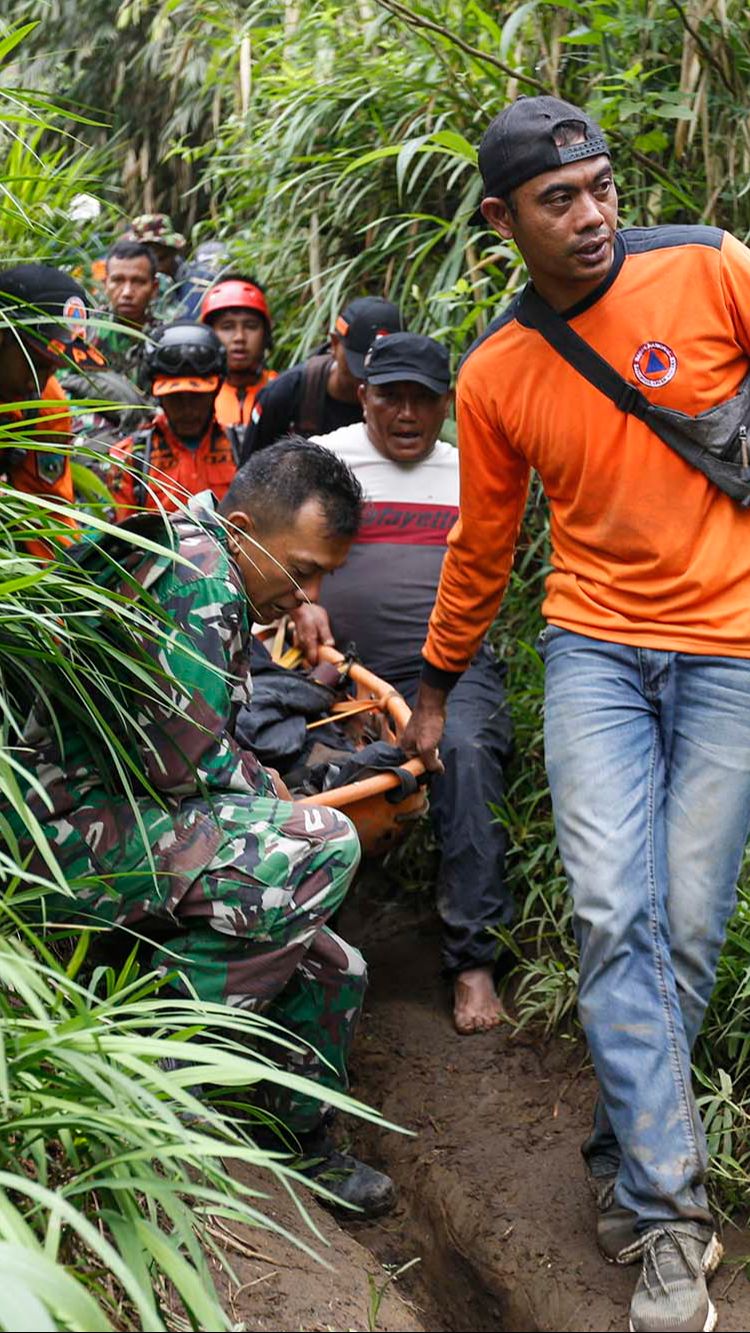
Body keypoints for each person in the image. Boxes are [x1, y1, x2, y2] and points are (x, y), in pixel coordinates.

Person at [403, 92, 750, 1332]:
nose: (594, 214)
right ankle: (669, 1216)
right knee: (617, 910)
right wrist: (438, 684)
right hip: (596, 653)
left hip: (732, 649)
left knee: (688, 928)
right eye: (560, 199)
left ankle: (619, 1146)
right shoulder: (499, 371)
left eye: (602, 186)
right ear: (504, 219)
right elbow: (483, 546)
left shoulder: (710, 266)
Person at [9, 437, 394, 1214]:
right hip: (56, 842)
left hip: (121, 826)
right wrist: (278, 799)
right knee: (326, 844)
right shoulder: (198, 573)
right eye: (303, 567)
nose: (309, 593)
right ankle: (148, 1071)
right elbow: (182, 768)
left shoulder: (201, 555)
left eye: (323, 573)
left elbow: (195, 756)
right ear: (246, 526)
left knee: (336, 964)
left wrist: (262, 790)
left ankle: (301, 1143)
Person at [294, 332, 513, 1034]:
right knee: (274, 758)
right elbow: (258, 537)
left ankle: (473, 961)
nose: (409, 413)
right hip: (340, 671)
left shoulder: (470, 467)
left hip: (449, 671)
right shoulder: (324, 460)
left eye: (425, 399)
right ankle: (295, 950)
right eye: (393, 397)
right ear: (365, 396)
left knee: (472, 755)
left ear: (447, 403)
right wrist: (302, 598)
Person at [0, 263, 105, 554]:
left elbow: (46, 511)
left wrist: (68, 585)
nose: (43, 381)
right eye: (37, 363)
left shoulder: (46, 404)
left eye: (54, 368)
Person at [105, 321, 239, 521]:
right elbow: (121, 539)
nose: (187, 409)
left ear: (215, 392)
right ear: (158, 396)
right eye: (175, 398)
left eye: (197, 397)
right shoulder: (130, 457)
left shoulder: (242, 447)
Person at [242, 295, 403, 459]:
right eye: (361, 367)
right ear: (334, 344)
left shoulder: (409, 402)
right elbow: (248, 472)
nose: (368, 380)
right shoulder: (286, 393)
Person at [200, 278, 277, 447]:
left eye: (250, 326)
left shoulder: (281, 390)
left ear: (265, 334)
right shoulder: (198, 398)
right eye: (227, 327)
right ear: (209, 335)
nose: (239, 338)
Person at [96, 240, 159, 377]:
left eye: (138, 281)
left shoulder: (164, 336)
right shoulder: (88, 331)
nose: (127, 292)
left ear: (154, 288)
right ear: (105, 284)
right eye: (118, 280)